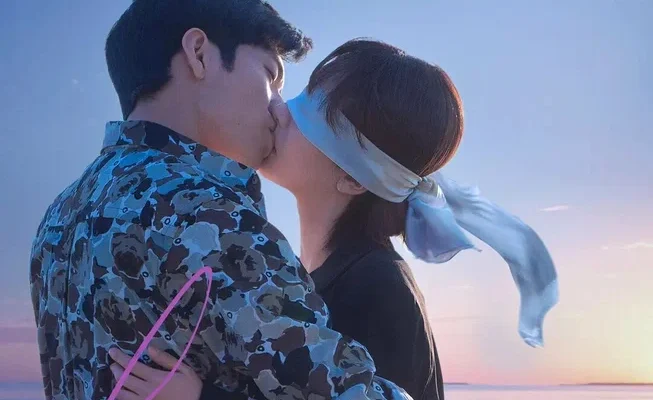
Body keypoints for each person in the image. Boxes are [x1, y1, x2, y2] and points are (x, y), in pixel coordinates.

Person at [107, 39, 559, 400]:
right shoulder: (311, 276)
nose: (279, 109)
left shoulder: (379, 289)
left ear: (353, 178)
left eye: (313, 112)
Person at [29, 1, 412, 399]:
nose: (278, 107)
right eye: (270, 76)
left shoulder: (57, 218)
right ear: (199, 54)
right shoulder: (208, 214)